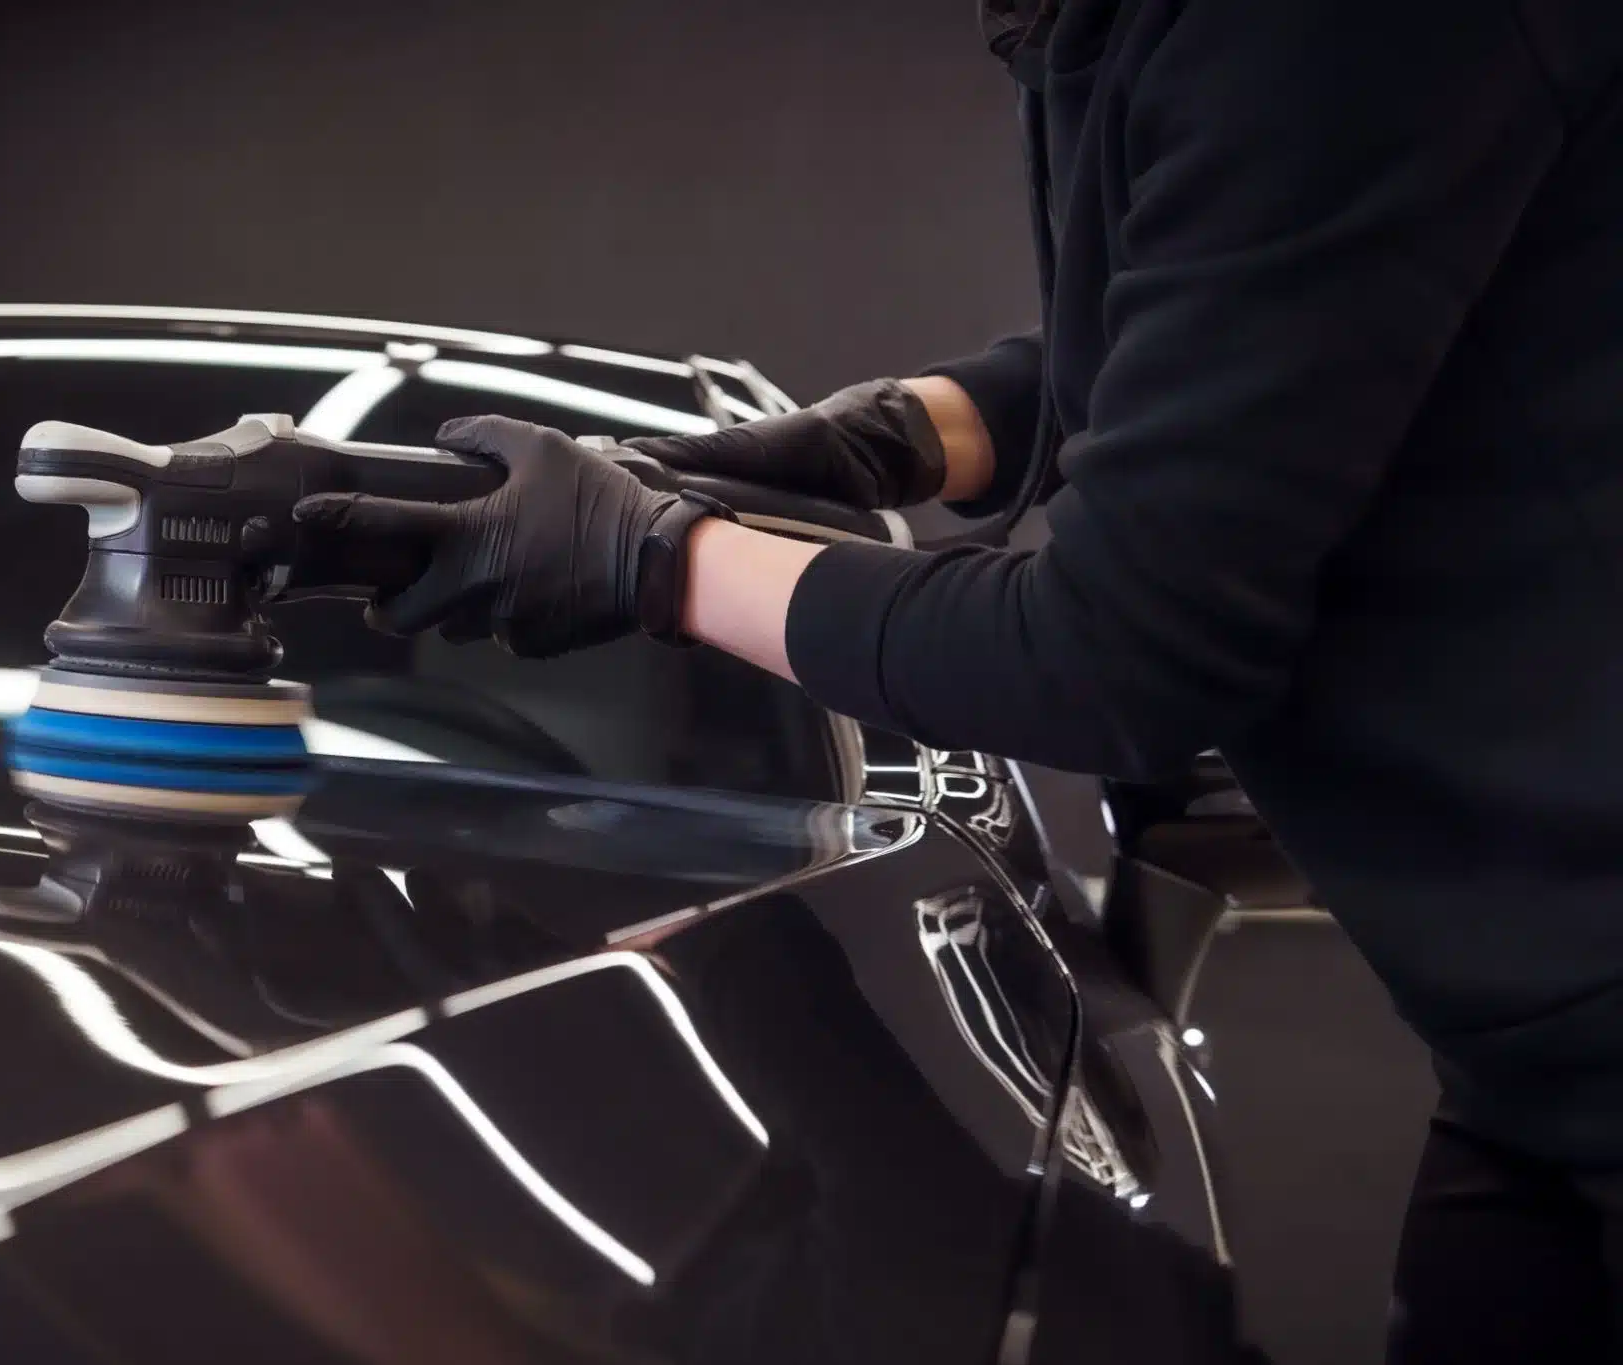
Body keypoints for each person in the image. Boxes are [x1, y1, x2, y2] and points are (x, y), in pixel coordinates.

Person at [293, 0, 1623, 1359]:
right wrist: (892, 440)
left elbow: (1114, 660)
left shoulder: (1321, 32)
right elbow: (1237, 319)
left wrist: (658, 560)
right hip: (1534, 1067)